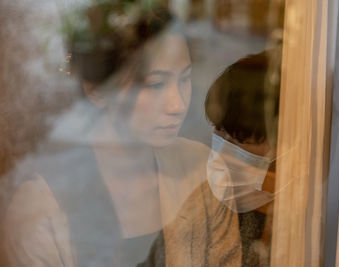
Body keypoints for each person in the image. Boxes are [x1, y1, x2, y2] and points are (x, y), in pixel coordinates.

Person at [2, 4, 209, 267]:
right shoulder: (40, 213)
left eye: (185, 78)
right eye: (156, 84)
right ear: (96, 89)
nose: (178, 105)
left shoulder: (200, 169)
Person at [143, 49, 281, 266]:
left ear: (283, 147)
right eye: (219, 130)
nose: (224, 149)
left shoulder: (297, 228)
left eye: (239, 139)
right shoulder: (201, 203)